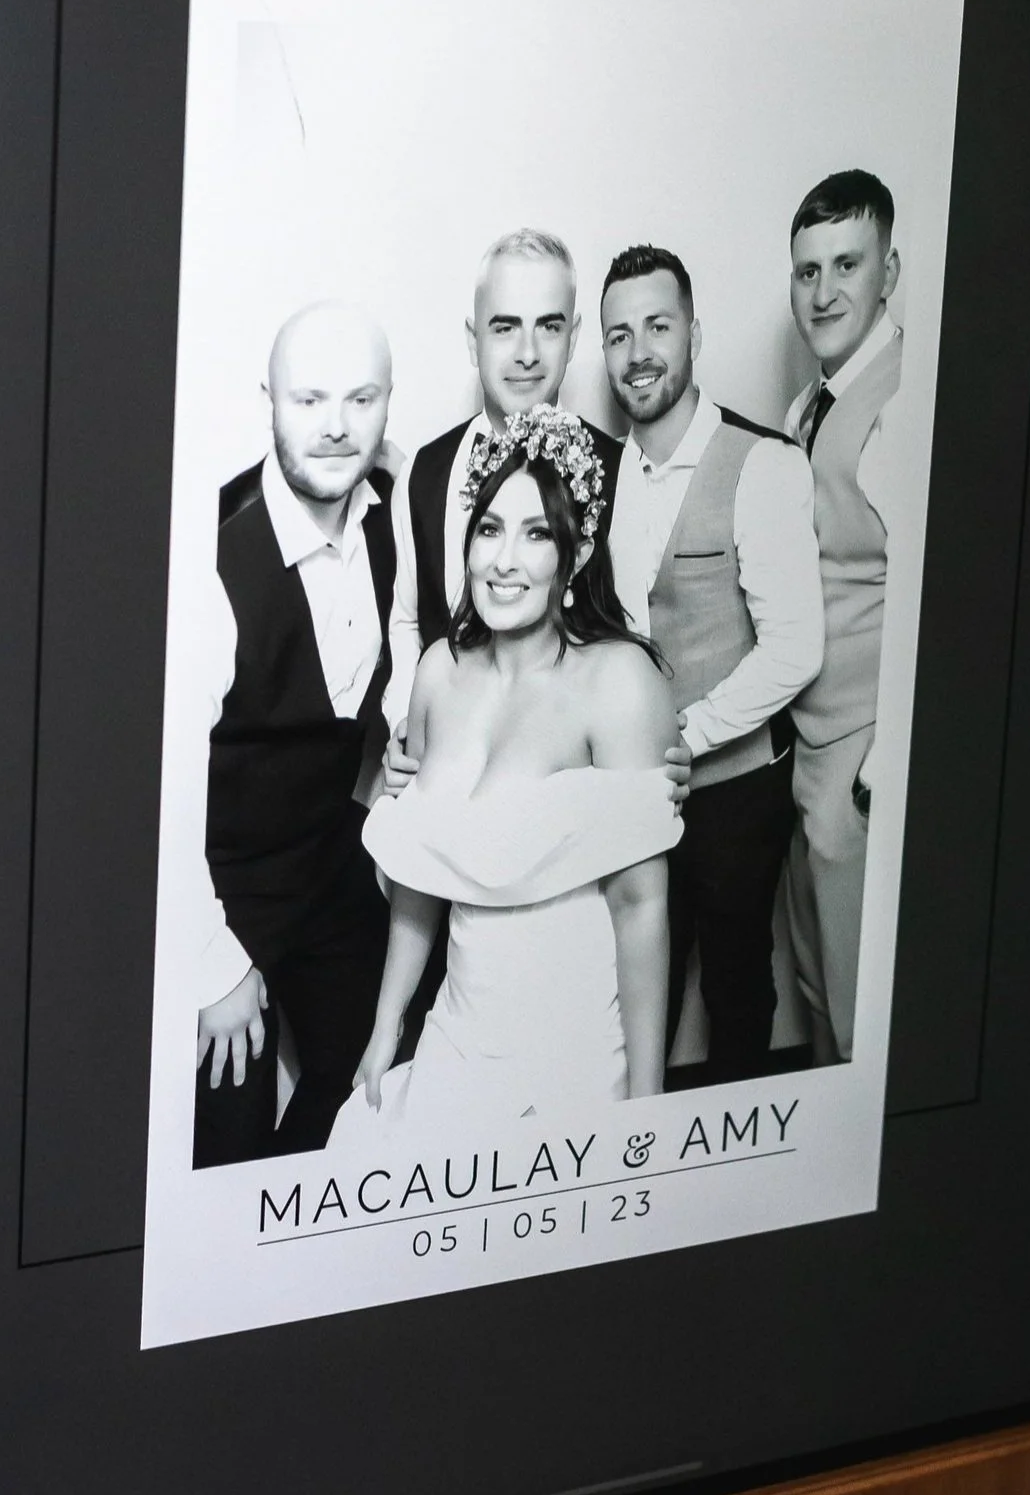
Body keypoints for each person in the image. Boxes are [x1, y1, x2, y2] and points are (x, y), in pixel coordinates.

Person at [343, 408, 679, 1132]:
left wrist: (648, 1105)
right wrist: (385, 1028)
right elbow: (420, 882)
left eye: (536, 535)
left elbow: (640, 906)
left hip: (577, 1055)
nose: (504, 560)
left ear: (577, 554)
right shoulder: (438, 672)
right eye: (491, 529)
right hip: (457, 1037)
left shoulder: (618, 682)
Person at [599, 245, 822, 1084]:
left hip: (735, 793)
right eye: (619, 335)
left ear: (695, 332)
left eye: (658, 326)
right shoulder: (603, 472)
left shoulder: (762, 463)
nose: (640, 351)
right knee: (633, 986)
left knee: (735, 985)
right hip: (634, 794)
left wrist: (688, 734)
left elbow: (796, 648)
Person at [192, 303, 400, 1164]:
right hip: (217, 889)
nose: (336, 428)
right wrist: (215, 966)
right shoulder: (211, 555)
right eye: (309, 400)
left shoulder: (396, 524)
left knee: (379, 1079)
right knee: (222, 1153)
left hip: (326, 864)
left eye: (362, 400)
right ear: (268, 400)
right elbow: (144, 797)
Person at [780, 171, 903, 1065]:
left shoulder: (907, 400)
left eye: (846, 265)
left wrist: (883, 765)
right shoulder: (803, 410)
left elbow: (933, 590)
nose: (823, 293)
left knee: (863, 1030)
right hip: (806, 754)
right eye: (807, 271)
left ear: (888, 271)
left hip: (862, 759)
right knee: (820, 1001)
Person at [387, 229, 622, 684]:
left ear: (572, 339)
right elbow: (407, 622)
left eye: (549, 327)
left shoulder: (620, 470)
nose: (528, 354)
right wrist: (405, 727)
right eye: (505, 327)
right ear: (474, 341)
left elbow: (634, 635)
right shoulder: (421, 473)